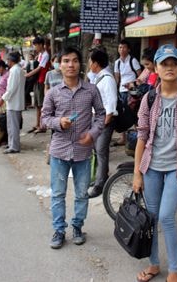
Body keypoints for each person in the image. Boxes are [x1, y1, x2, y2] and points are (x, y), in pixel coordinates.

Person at [132, 44, 177, 282]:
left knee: (165, 217)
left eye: (174, 63)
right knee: (152, 218)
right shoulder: (149, 98)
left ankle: (174, 269)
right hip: (151, 167)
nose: (170, 68)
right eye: (164, 63)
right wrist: (137, 173)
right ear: (157, 67)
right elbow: (142, 136)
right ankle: (154, 264)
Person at [41, 46, 105, 249]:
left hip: (83, 152)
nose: (71, 65)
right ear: (60, 65)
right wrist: (59, 122)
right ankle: (59, 230)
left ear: (80, 64)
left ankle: (77, 226)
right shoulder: (52, 93)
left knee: (81, 194)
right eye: (66, 61)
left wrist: (92, 134)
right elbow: (44, 118)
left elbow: (102, 115)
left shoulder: (91, 90)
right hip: (59, 151)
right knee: (58, 193)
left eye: (75, 60)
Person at [87, 49, 118, 198]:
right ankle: (100, 178)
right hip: (98, 120)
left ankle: (100, 184)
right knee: (97, 151)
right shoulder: (98, 77)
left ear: (96, 63)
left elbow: (111, 105)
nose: (88, 64)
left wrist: (103, 124)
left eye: (90, 61)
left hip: (105, 121)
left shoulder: (107, 79)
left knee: (101, 151)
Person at [114, 39, 142, 145]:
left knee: (135, 112)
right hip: (122, 90)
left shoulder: (133, 61)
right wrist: (115, 89)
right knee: (122, 113)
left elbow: (140, 75)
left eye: (124, 47)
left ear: (128, 49)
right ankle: (123, 138)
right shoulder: (117, 63)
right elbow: (117, 78)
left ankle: (139, 136)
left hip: (132, 90)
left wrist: (133, 84)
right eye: (120, 47)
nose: (122, 49)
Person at [0, 52, 25, 154]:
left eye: (8, 60)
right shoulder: (18, 70)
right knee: (11, 125)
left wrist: (2, 99)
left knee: (13, 126)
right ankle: (11, 144)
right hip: (15, 102)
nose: (7, 62)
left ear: (11, 60)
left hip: (14, 102)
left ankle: (14, 146)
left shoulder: (15, 71)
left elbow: (11, 88)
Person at [26, 37, 50, 134]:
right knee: (37, 104)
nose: (35, 47)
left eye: (35, 45)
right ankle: (37, 124)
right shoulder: (39, 55)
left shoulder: (45, 55)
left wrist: (28, 74)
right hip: (36, 80)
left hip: (41, 80)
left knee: (41, 104)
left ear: (40, 44)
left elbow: (39, 68)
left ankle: (42, 125)